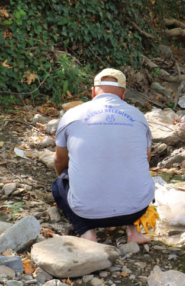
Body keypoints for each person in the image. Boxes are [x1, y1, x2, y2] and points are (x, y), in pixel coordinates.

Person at [52, 68, 154, 244]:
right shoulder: (138, 116)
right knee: (139, 177)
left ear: (93, 91)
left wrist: (67, 178)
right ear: (123, 93)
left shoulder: (72, 115)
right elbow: (146, 159)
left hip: (87, 214)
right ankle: (133, 231)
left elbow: (60, 160)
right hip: (136, 209)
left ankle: (87, 232)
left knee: (58, 185)